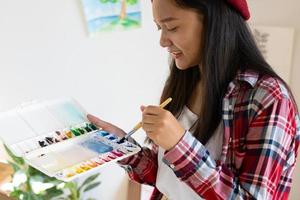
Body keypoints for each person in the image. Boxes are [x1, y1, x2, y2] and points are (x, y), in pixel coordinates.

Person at [88, 0, 300, 199]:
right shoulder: (185, 81)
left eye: (172, 27)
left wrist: (179, 145)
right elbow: (167, 177)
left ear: (213, 20)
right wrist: (120, 146)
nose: (162, 41)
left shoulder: (268, 97)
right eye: (159, 28)